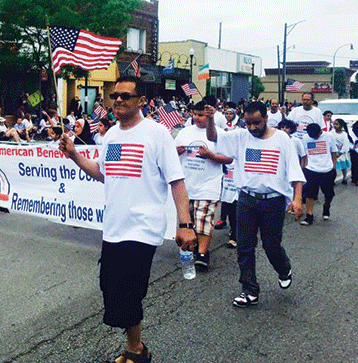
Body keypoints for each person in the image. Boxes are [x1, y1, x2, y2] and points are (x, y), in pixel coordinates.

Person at [59, 75, 195, 363]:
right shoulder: (111, 136)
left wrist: (185, 225)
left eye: (125, 96)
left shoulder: (157, 134)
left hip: (143, 228)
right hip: (114, 228)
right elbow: (101, 172)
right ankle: (136, 347)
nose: (118, 100)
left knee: (131, 291)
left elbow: (177, 181)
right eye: (114, 96)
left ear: (141, 101)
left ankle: (136, 353)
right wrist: (73, 155)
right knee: (111, 289)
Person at [206, 101, 304, 308]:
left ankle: (283, 268)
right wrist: (210, 119)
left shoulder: (282, 139)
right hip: (246, 199)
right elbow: (213, 137)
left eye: (256, 123)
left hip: (273, 201)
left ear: (266, 118)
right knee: (244, 246)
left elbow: (295, 170)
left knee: (271, 244)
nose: (252, 128)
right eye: (248, 123)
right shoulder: (241, 136)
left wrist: (296, 199)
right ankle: (249, 290)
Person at [174, 101, 233, 270]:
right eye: (194, 114)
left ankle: (202, 254)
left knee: (204, 219)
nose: (197, 118)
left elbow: (229, 158)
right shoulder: (184, 132)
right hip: (186, 184)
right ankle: (191, 248)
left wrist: (211, 155)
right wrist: (175, 151)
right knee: (188, 220)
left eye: (201, 115)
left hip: (208, 184)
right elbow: (171, 153)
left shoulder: (219, 134)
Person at [300, 123, 337, 225]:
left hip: (327, 170)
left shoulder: (328, 136)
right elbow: (304, 154)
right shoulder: (305, 138)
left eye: (315, 136)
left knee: (329, 194)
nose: (313, 138)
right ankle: (309, 216)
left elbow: (334, 152)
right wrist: (302, 169)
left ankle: (326, 207)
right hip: (311, 169)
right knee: (309, 195)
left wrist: (334, 167)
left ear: (320, 132)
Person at [331, 118, 352, 185]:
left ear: (341, 125)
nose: (335, 126)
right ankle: (332, 180)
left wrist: (340, 152)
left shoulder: (344, 134)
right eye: (334, 124)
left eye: (337, 124)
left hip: (341, 152)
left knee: (343, 166)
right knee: (333, 167)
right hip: (334, 152)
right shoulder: (331, 133)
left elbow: (346, 144)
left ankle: (344, 178)